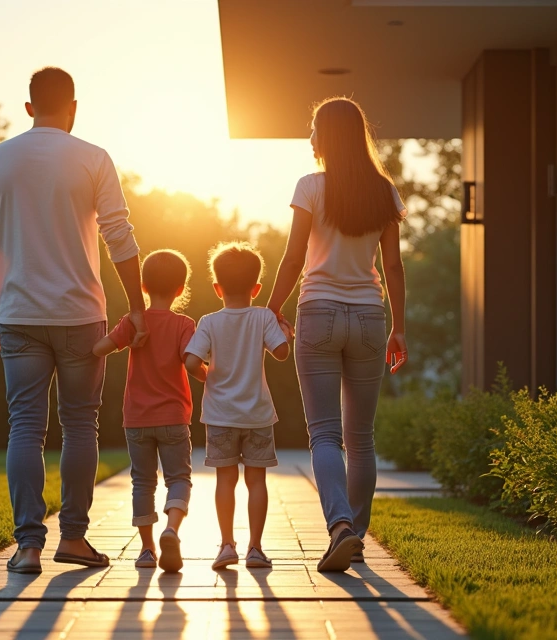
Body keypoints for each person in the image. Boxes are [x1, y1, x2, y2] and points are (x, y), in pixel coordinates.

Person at [0, 66, 148, 574]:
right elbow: (120, 236)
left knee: (24, 426)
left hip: (18, 316)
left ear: (28, 108)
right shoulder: (93, 158)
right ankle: (73, 539)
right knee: (80, 424)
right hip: (81, 317)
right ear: (73, 107)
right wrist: (136, 306)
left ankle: (27, 546)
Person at [265, 97, 408, 573]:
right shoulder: (384, 192)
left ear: (325, 138)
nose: (309, 138)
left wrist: (272, 307)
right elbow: (393, 267)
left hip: (319, 313)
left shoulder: (310, 187)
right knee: (360, 439)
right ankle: (356, 536)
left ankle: (340, 528)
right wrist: (400, 328)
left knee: (325, 434)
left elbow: (292, 256)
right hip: (370, 318)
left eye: (312, 130)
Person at [184, 242, 291, 571]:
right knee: (256, 481)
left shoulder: (209, 321)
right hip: (257, 415)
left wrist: (205, 375)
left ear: (217, 288)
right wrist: (286, 330)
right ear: (257, 288)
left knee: (224, 481)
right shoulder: (262, 317)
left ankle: (227, 545)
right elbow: (282, 352)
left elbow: (190, 360)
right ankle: (255, 549)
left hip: (220, 416)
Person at [92, 249, 198, 573]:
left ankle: (147, 550)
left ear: (142, 285)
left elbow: (98, 350)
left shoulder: (131, 322)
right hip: (174, 418)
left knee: (143, 482)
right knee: (179, 477)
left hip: (136, 420)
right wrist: (212, 371)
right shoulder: (184, 324)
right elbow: (193, 365)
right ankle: (172, 529)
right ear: (181, 289)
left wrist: (125, 341)